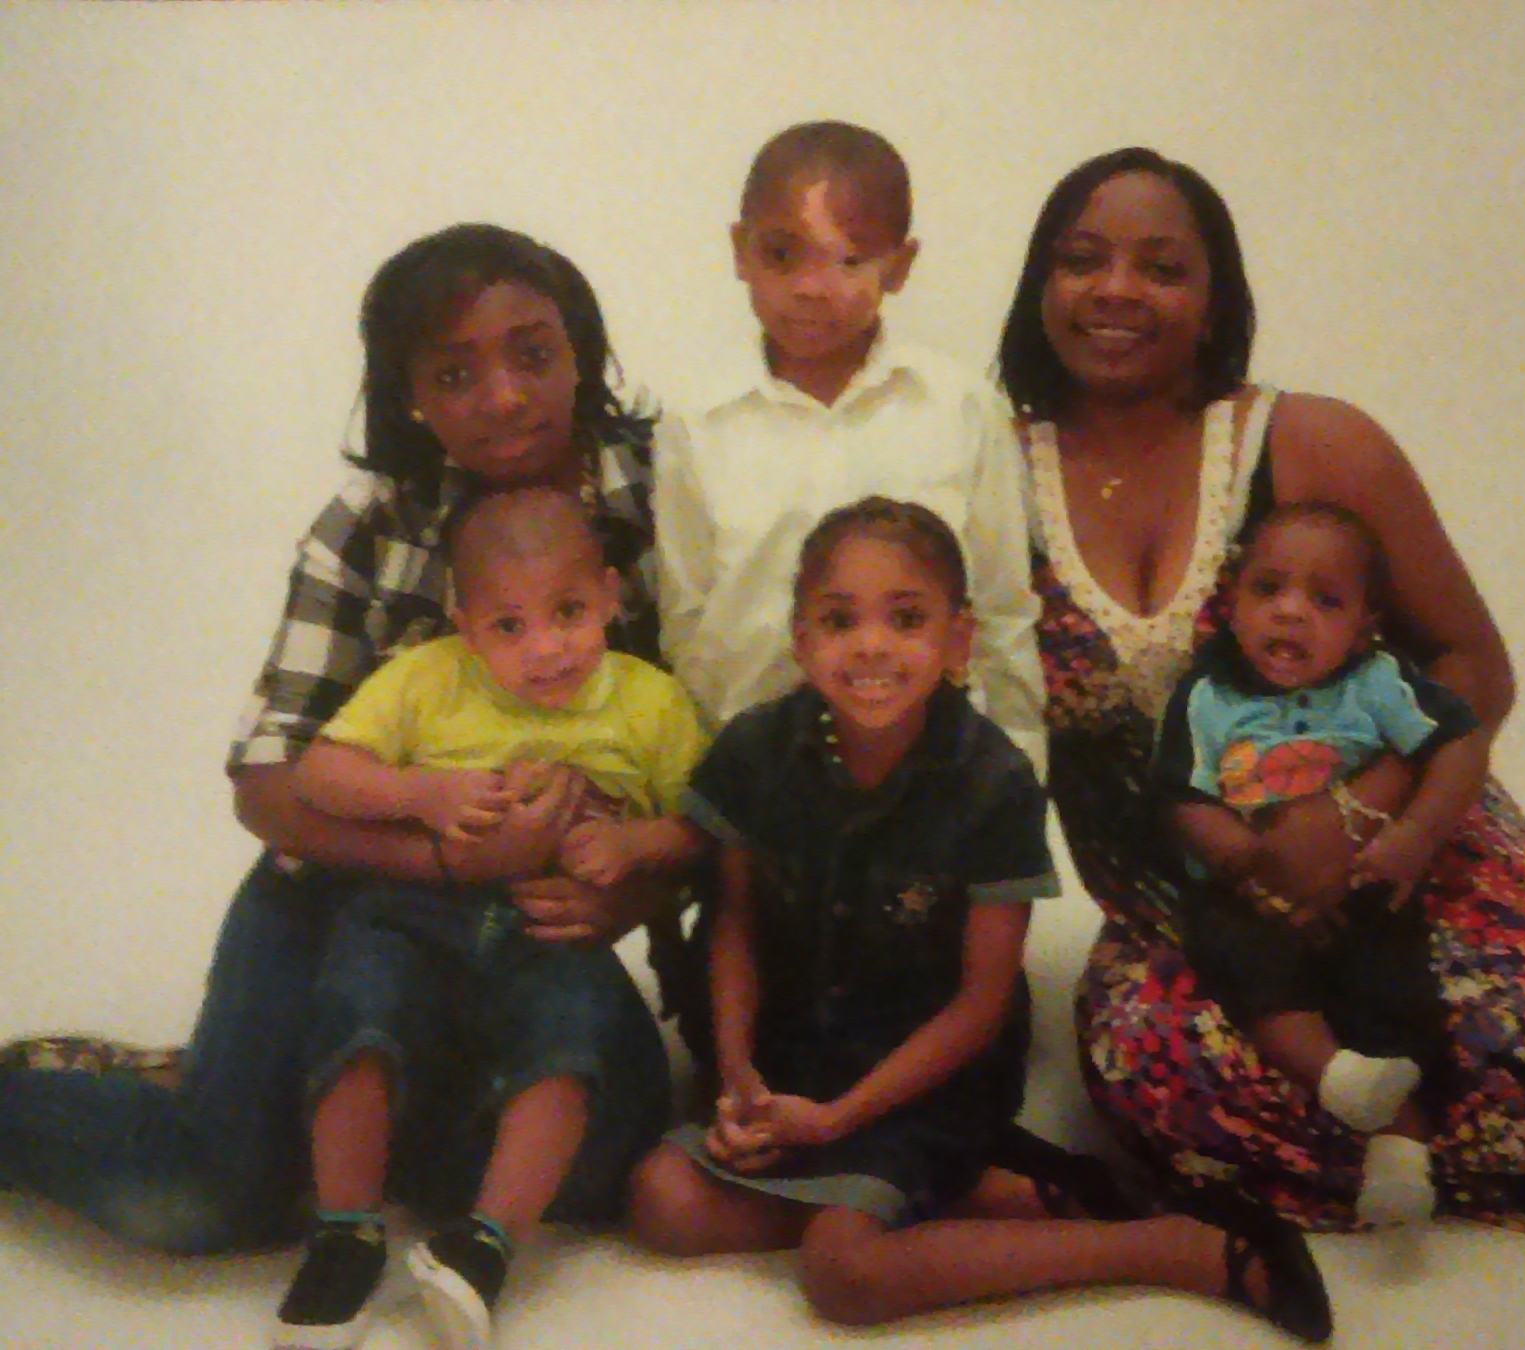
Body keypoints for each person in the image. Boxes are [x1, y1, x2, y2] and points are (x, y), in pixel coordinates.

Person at [998, 146, 1525, 1271]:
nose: (1116, 290)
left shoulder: (1311, 443)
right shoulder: (986, 472)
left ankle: (1476, 1122)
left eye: (1162, 267)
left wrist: (1354, 818)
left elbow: (1473, 665)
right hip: (1186, 912)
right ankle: (1433, 1143)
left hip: (1404, 860)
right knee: (1158, 1078)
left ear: (1214, 298)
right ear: (1040, 283)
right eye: (1081, 260)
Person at [0, 224, 674, 1261]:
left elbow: (731, 766)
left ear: (582, 352)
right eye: (454, 373)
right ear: (409, 394)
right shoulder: (368, 525)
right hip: (338, 890)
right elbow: (266, 786)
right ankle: (107, 1101)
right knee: (209, 1196)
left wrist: (632, 888)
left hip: (528, 918)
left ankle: (277, 1092)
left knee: (596, 1174)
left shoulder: (667, 494)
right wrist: (444, 854)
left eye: (533, 354)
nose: (502, 397)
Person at [626, 497, 1332, 1340]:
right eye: (839, 620)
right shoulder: (754, 750)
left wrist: (841, 1120)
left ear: (957, 641)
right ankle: (1009, 1196)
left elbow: (978, 1005)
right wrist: (740, 1075)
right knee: (661, 1203)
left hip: (931, 1077)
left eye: (906, 619)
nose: (871, 645)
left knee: (843, 1272)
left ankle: (1172, 1249)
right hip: (794, 1059)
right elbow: (734, 924)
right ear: (801, 638)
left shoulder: (990, 781)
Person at [272, 488, 705, 1349]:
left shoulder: (650, 702)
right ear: (465, 626)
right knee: (354, 1009)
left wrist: (632, 844)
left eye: (568, 612)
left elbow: (705, 829)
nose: (546, 648)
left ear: (610, 595)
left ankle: (487, 1245)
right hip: (410, 908)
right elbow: (318, 772)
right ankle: (345, 1232)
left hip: (549, 922)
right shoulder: (426, 677)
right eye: (509, 626)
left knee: (569, 1036)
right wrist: (419, 794)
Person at [654, 119, 1045, 773]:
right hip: (758, 776)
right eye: (782, 255)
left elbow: (1002, 614)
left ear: (899, 266)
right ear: (740, 252)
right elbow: (688, 626)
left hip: (932, 775)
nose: (811, 286)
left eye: (849, 260)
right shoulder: (697, 425)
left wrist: (1022, 778)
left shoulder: (960, 410)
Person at [1158, 502, 1483, 1229]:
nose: (1291, 612)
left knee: (1396, 984)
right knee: (1243, 964)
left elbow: (1460, 744)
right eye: (1267, 589)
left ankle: (1401, 1148)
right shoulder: (1207, 695)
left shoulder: (1378, 683)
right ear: (1231, 602)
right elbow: (1179, 795)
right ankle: (1333, 1075)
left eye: (1326, 600)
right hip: (1247, 896)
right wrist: (1233, 850)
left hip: (1363, 881)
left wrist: (1417, 834)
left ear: (1363, 627)